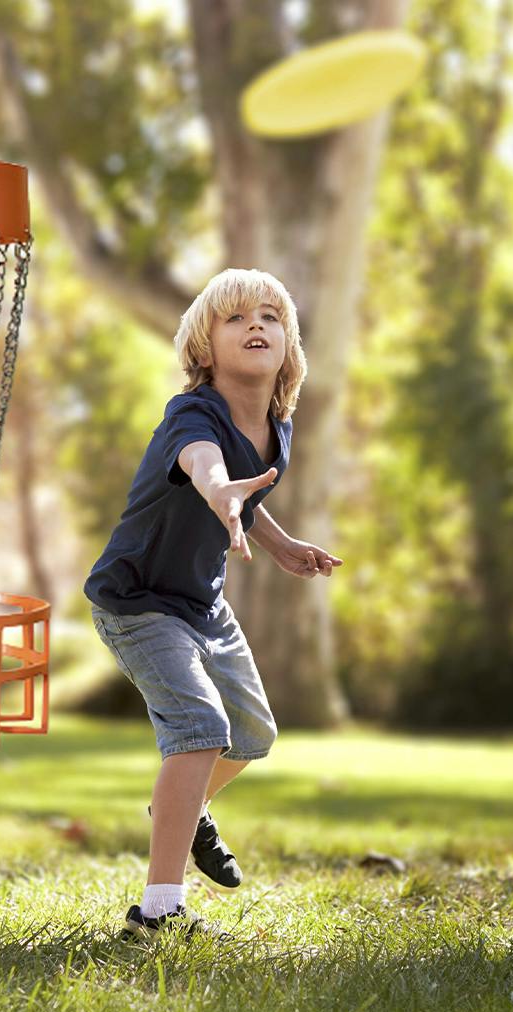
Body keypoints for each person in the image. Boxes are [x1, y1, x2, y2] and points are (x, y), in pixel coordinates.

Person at [84, 268, 343, 936]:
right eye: (235, 319)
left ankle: (182, 807)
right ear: (204, 350)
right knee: (200, 728)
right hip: (137, 601)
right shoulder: (192, 414)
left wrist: (280, 543)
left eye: (269, 316)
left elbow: (244, 495)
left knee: (254, 734)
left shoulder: (277, 426)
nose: (256, 325)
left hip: (203, 606)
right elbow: (208, 467)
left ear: (288, 342)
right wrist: (219, 489)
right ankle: (156, 913)